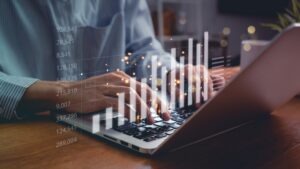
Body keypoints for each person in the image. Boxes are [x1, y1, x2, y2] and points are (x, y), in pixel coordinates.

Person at [0, 0, 223, 123]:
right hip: (23, 134)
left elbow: (142, 48)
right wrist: (63, 93)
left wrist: (170, 71)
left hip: (106, 128)